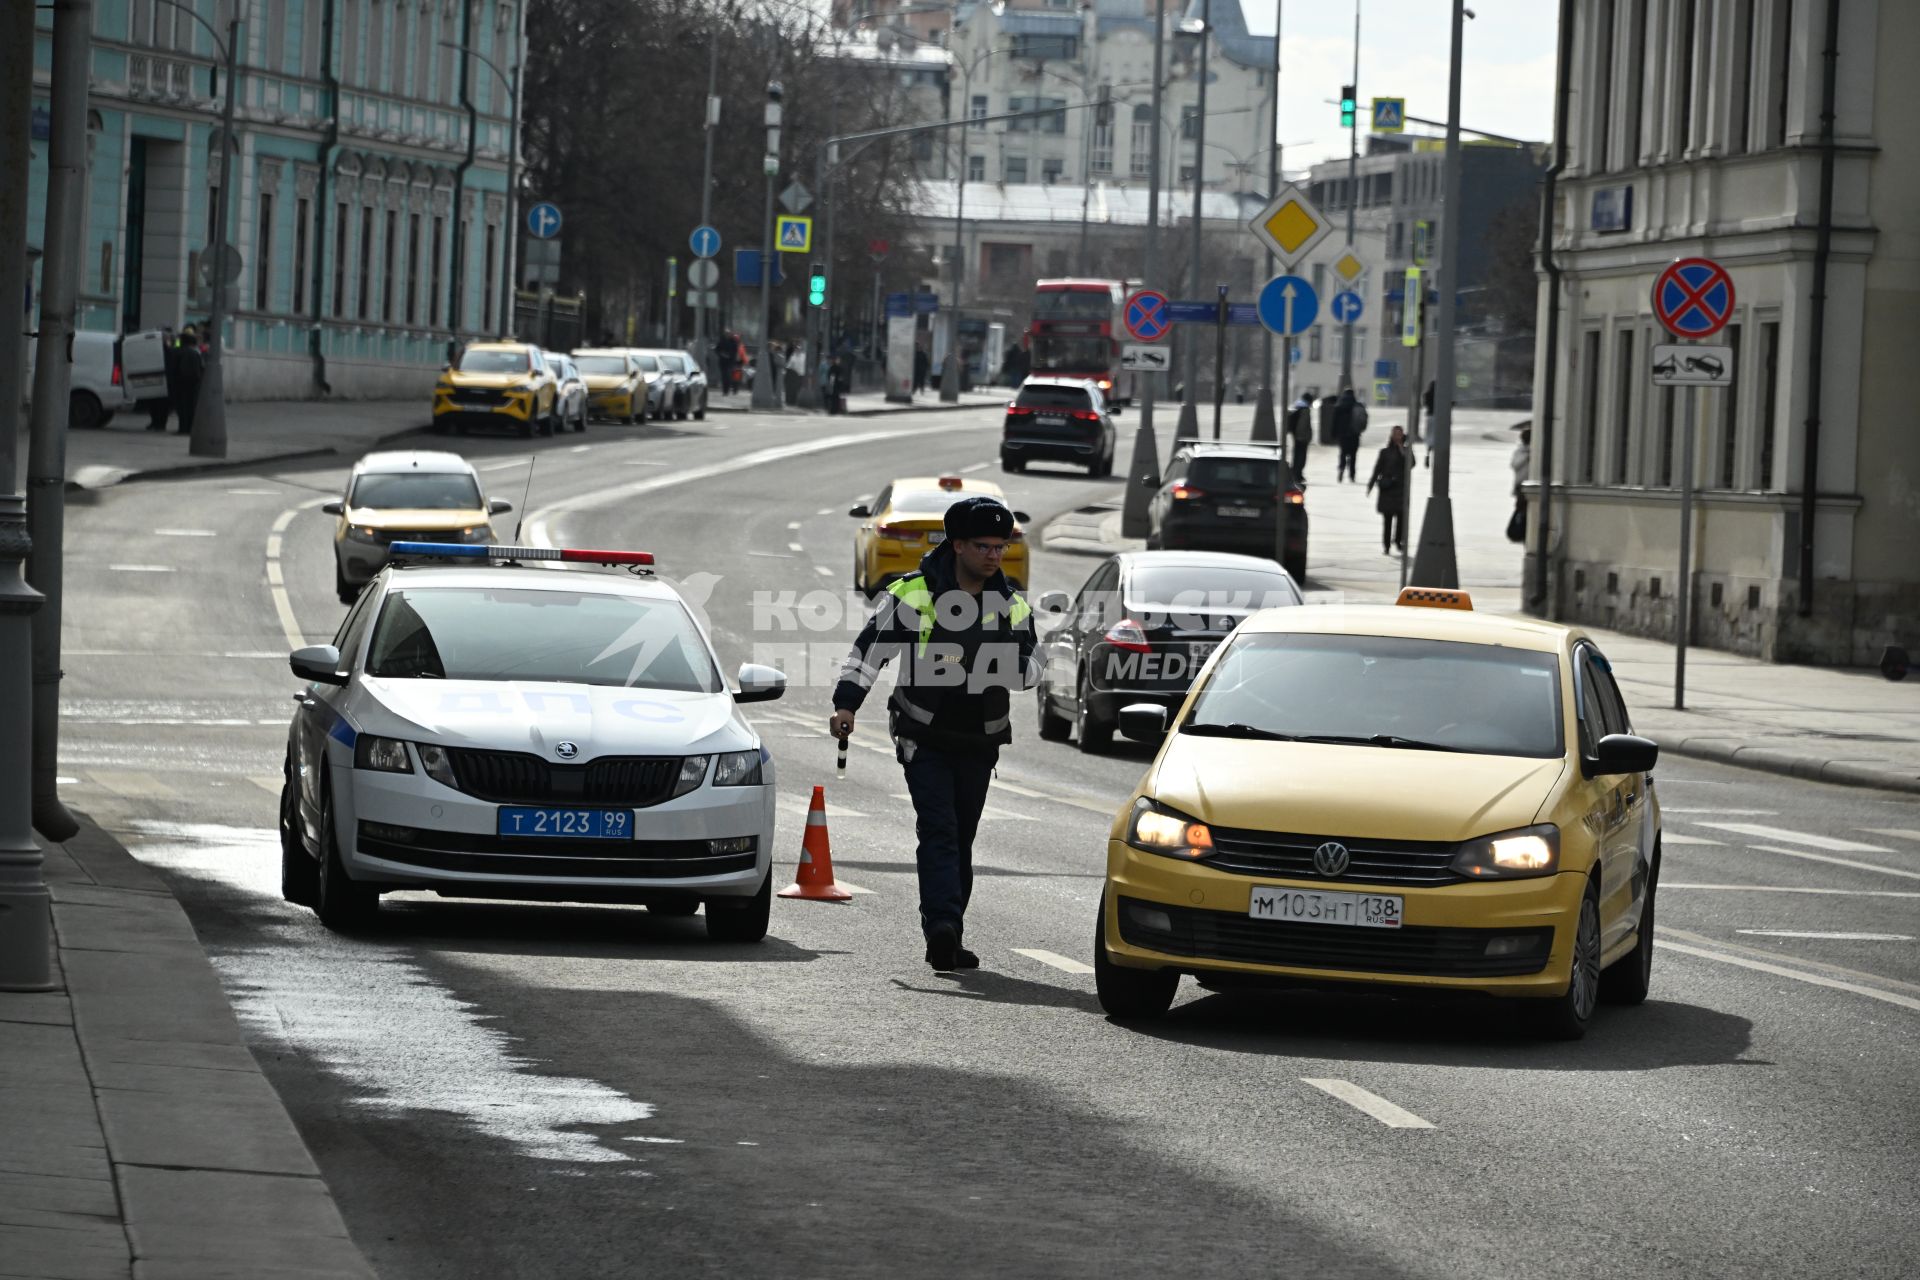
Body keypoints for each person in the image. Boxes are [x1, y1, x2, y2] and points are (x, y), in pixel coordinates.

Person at [829, 496, 1038, 971]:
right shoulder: (912, 594)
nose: (993, 555)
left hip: (980, 740)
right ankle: (942, 927)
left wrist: (1002, 654)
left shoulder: (1013, 607)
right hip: (922, 735)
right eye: (983, 546)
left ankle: (950, 930)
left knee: (961, 836)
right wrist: (846, 704)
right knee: (940, 830)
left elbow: (1031, 676)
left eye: (1000, 547)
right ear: (958, 544)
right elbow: (869, 653)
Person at [1366, 424, 1414, 554]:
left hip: (1401, 489)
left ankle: (1398, 541)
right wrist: (1370, 484)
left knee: (1401, 518)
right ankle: (1386, 545)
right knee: (1387, 520)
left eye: (1400, 434)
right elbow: (1377, 469)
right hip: (1387, 489)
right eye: (1395, 434)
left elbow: (1411, 464)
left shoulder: (1406, 451)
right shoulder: (1384, 452)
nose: (1398, 436)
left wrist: (1402, 450)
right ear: (1392, 436)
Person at [171, 323, 204, 436]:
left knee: (182, 407)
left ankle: (183, 428)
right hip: (194, 384)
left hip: (180, 383)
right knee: (191, 407)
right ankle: (189, 428)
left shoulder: (178, 351)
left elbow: (173, 367)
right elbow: (201, 369)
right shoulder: (196, 352)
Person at [1333, 388, 1366, 482]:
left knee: (1343, 453)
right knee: (1353, 455)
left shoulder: (1339, 406)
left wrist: (1334, 433)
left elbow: (1335, 422)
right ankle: (1352, 475)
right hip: (1354, 434)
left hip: (1343, 435)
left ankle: (1341, 470)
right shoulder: (1358, 405)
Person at [1508, 421, 1533, 543]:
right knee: (1521, 510)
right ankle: (1520, 531)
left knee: (1527, 511)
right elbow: (1514, 465)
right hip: (1521, 486)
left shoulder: (1535, 452)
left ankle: (1524, 532)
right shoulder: (1520, 452)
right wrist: (1527, 457)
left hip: (1530, 486)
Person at [1285, 392, 1312, 481]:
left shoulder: (1296, 406)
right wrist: (1306, 436)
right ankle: (1297, 474)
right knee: (1301, 456)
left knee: (1296, 455)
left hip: (1296, 435)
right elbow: (1303, 424)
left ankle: (1295, 474)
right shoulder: (1305, 409)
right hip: (1301, 436)